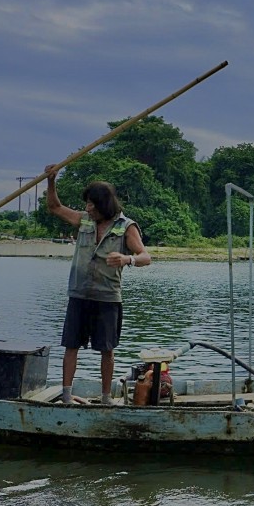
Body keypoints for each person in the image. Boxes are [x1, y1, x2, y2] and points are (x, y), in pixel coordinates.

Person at [45, 164, 151, 405]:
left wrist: (127, 259)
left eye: (91, 204)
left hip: (107, 297)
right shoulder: (84, 221)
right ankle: (67, 396)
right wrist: (51, 181)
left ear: (104, 205)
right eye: (87, 204)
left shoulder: (126, 226)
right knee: (71, 346)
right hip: (79, 294)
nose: (87, 208)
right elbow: (54, 207)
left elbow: (146, 257)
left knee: (107, 350)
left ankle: (105, 398)